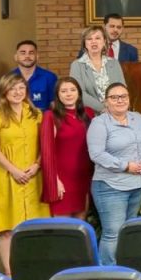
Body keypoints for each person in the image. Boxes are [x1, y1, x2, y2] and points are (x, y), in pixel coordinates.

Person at [0, 73, 49, 273]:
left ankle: (33, 269)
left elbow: (45, 144)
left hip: (33, 177)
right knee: (7, 229)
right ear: (3, 91)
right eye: (12, 88)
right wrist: (14, 171)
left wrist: (37, 165)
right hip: (6, 176)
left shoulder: (36, 114)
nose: (17, 92)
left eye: (21, 88)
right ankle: (10, 272)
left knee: (34, 226)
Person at [87, 83, 141, 265]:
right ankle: (108, 272)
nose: (119, 100)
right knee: (113, 233)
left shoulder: (138, 118)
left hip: (138, 185)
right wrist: (125, 166)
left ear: (129, 99)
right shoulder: (99, 123)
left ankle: (126, 268)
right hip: (110, 187)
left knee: (128, 230)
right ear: (106, 102)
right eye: (114, 97)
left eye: (123, 96)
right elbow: (97, 154)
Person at [40, 77, 94, 220]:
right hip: (62, 180)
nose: (69, 94)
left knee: (80, 225)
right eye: (63, 91)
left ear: (79, 93)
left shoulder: (88, 113)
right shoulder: (51, 116)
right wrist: (54, 181)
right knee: (63, 226)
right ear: (57, 95)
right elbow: (46, 152)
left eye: (72, 90)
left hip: (83, 177)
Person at [70, 25, 126, 113]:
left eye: (97, 38)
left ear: (104, 41)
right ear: (85, 44)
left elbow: (122, 88)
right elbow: (79, 92)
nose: (93, 42)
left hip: (116, 110)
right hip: (89, 114)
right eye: (89, 39)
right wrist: (102, 108)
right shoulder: (77, 65)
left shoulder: (114, 63)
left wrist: (114, 106)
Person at [6, 40, 57, 111]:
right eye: (23, 53)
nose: (27, 56)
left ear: (37, 57)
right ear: (16, 57)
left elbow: (54, 105)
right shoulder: (7, 78)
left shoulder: (49, 77)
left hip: (42, 117)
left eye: (31, 53)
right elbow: (1, 104)